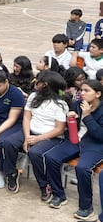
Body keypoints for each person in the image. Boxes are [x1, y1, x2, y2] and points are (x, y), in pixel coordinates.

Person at [43, 79, 103, 220]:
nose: (82, 93)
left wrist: (87, 116)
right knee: (51, 157)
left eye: (86, 90)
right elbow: (70, 129)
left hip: (95, 145)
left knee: (82, 168)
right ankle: (59, 195)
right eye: (81, 90)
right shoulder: (77, 105)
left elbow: (100, 136)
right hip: (75, 140)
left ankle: (86, 207)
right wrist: (72, 119)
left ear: (98, 94)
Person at [20, 71, 69, 207]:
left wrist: (37, 139)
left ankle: (45, 186)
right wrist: (27, 137)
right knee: (13, 143)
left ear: (45, 85)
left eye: (38, 81)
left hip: (51, 137)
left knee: (35, 153)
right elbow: (27, 117)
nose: (35, 83)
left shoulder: (60, 103)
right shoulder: (34, 96)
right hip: (31, 133)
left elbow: (59, 129)